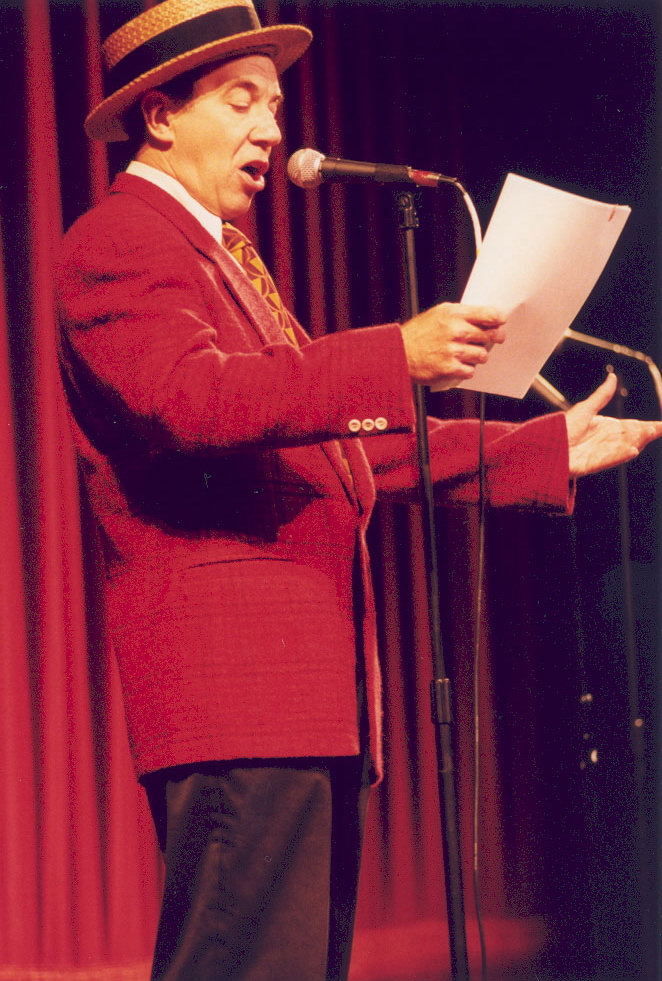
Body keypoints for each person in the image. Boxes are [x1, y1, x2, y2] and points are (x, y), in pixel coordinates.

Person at [54, 1, 662, 978]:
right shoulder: (122, 238)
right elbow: (191, 401)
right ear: (159, 115)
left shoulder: (227, 261)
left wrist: (536, 449)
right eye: (242, 101)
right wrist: (396, 352)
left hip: (308, 694)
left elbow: (342, 451)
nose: (272, 130)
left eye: (276, 105)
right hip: (237, 690)